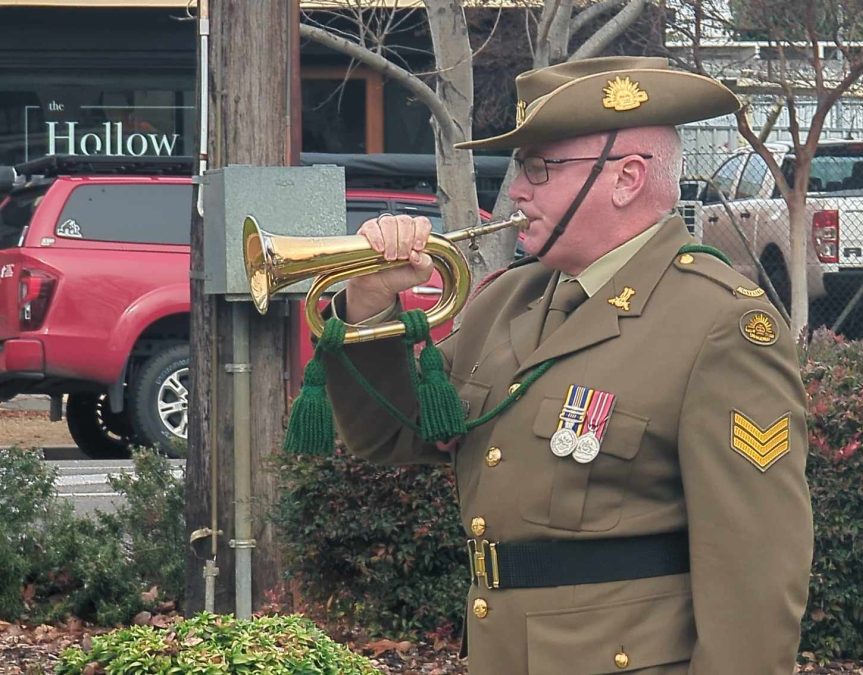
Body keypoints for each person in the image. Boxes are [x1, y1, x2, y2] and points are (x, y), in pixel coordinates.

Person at [323, 56, 812, 674]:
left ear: (627, 178)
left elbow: (755, 570)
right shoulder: (506, 301)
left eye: (539, 168)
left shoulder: (720, 324)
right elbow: (387, 433)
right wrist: (370, 306)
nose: (518, 190)